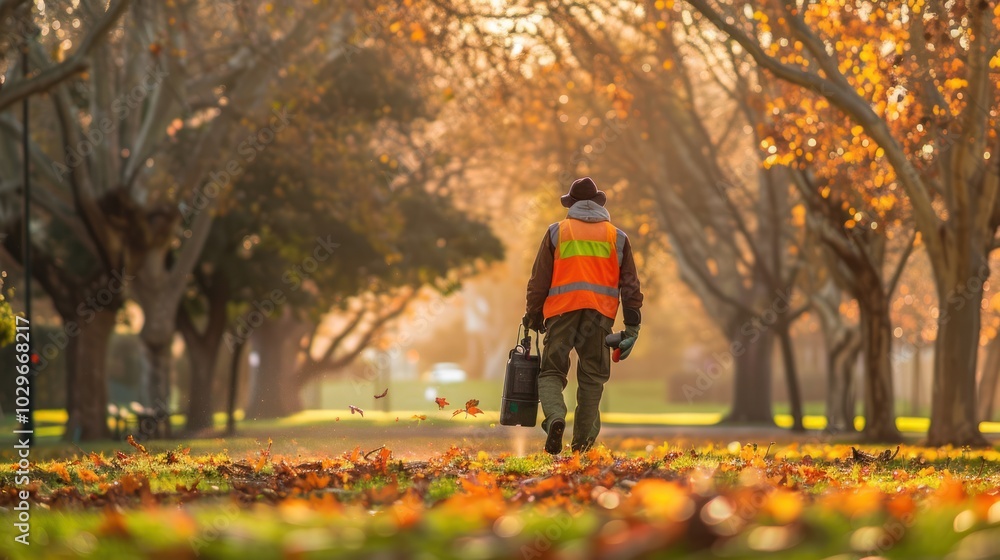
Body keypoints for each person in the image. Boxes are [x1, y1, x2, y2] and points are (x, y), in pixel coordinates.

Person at [523, 177, 644, 454]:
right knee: (592, 379)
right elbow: (631, 286)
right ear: (599, 204)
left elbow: (539, 280)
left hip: (561, 312)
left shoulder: (557, 232)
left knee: (552, 371)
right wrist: (633, 325)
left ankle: (555, 418)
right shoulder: (618, 238)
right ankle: (581, 448)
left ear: (572, 204)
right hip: (600, 317)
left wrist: (532, 314)